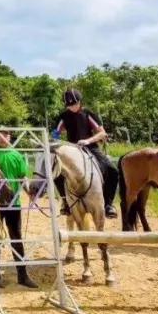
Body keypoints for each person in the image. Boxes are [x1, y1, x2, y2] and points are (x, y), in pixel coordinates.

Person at [53, 88, 119, 219]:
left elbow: (102, 133)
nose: (72, 107)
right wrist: (55, 136)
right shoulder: (63, 116)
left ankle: (108, 204)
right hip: (71, 150)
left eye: (74, 104)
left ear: (79, 101)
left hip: (90, 147)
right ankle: (66, 201)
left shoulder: (88, 114)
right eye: (69, 105)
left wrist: (88, 141)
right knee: (56, 172)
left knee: (113, 170)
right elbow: (56, 132)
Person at [0, 131, 38, 288]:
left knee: (16, 237)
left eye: (6, 135)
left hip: (13, 203)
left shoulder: (17, 154)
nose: (3, 138)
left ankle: (22, 275)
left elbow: (23, 177)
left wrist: (29, 191)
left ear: (9, 137)